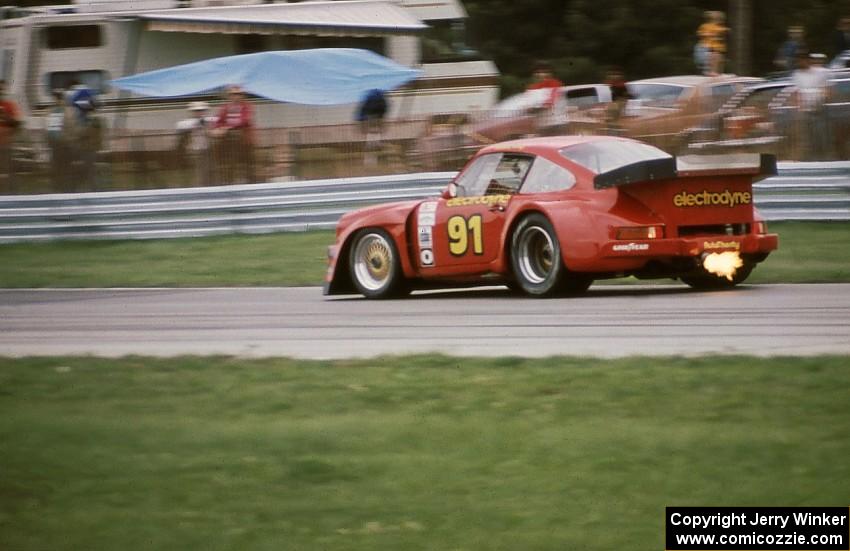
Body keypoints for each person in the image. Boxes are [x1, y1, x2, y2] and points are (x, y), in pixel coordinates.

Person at [791, 52, 832, 160]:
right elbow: (797, 92)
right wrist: (799, 109)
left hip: (819, 109)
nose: (800, 63)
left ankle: (825, 157)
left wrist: (822, 101)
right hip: (805, 111)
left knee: (821, 136)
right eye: (798, 61)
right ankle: (811, 158)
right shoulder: (797, 74)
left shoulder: (820, 72)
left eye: (802, 60)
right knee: (808, 138)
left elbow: (826, 89)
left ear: (808, 60)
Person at [214, 85, 256, 184]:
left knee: (248, 166)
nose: (236, 96)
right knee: (228, 165)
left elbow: (244, 120)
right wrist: (217, 129)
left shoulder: (247, 106)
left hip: (245, 141)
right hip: (229, 142)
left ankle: (250, 184)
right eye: (233, 94)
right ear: (229, 96)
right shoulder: (225, 108)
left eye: (238, 94)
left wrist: (226, 127)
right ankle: (228, 183)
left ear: (242, 95)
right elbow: (218, 121)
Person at [176, 101, 215, 185]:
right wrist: (198, 123)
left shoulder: (207, 121)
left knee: (209, 171)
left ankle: (208, 187)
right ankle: (199, 188)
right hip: (195, 151)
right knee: (198, 172)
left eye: (201, 110)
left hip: (207, 149)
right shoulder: (187, 123)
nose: (199, 112)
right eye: (197, 110)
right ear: (192, 112)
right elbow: (180, 126)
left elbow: (216, 120)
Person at [46, 89, 73, 191]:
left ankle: (65, 188)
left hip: (64, 145)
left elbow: (70, 128)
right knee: (58, 169)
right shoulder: (52, 111)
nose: (57, 100)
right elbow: (50, 130)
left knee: (65, 168)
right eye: (56, 98)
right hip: (56, 145)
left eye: (59, 98)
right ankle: (58, 188)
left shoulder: (67, 111)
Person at [356, 88, 389, 168]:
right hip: (373, 117)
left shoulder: (375, 96)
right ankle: (370, 160)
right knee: (372, 141)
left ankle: (371, 160)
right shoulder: (374, 96)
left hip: (374, 116)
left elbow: (363, 109)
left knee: (372, 141)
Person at [0, 79, 21, 193]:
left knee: (7, 170)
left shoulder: (9, 105)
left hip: (6, 144)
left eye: (2, 89)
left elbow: (18, 123)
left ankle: (10, 193)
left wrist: (6, 115)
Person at [696, 11, 728, 76]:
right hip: (707, 46)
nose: (719, 21)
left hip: (717, 47)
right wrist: (707, 34)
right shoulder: (706, 26)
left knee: (719, 58)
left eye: (720, 19)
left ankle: (718, 72)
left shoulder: (719, 27)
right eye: (717, 19)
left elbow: (723, 32)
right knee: (713, 57)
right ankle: (710, 71)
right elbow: (700, 33)